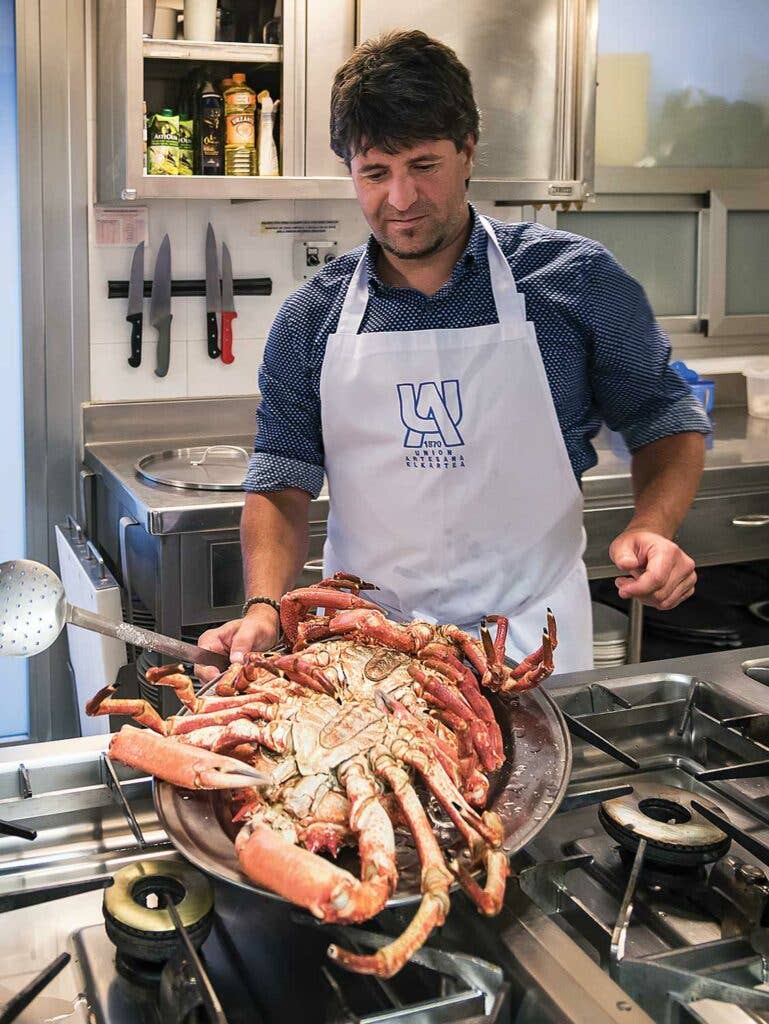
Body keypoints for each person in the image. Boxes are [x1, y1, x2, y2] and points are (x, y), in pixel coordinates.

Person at [196, 29, 710, 682]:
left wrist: (654, 526)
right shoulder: (310, 318)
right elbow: (281, 478)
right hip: (367, 651)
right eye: (375, 174)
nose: (401, 200)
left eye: (423, 166)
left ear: (467, 151)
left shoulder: (571, 280)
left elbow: (664, 417)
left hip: (531, 641)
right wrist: (265, 606)